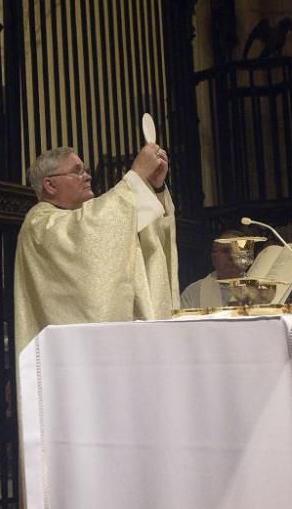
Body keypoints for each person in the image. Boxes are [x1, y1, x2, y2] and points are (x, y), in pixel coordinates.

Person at [14, 143, 179, 353]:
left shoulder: (82, 216)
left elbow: (118, 228)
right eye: (77, 171)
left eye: (85, 170)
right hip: (71, 354)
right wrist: (136, 176)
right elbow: (89, 230)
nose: (87, 176)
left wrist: (152, 188)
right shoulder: (39, 224)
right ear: (50, 185)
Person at [180, 230, 245, 308]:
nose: (232, 256)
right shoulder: (193, 292)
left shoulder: (260, 290)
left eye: (238, 251)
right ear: (214, 257)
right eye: (225, 251)